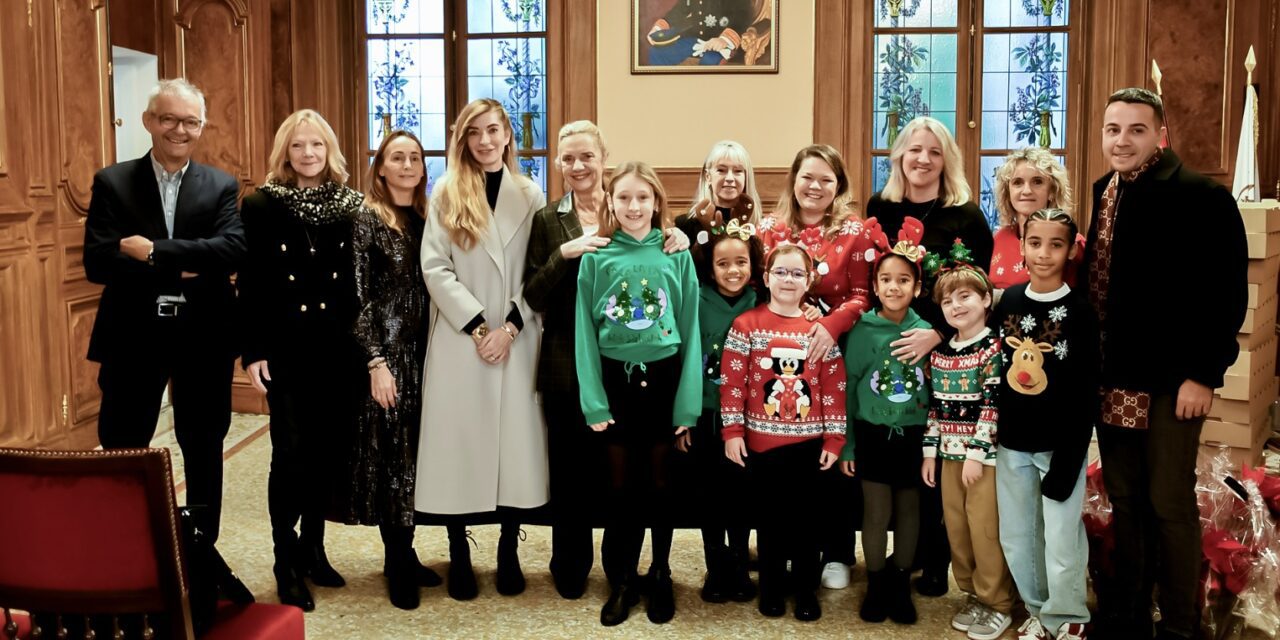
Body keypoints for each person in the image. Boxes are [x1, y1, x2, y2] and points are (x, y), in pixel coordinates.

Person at [1084, 88, 1248, 640]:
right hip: (1115, 377)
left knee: (1168, 501)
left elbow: (1225, 295)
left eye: (1135, 129)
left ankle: (1181, 624)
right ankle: (1130, 613)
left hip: (1172, 381)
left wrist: (1204, 373)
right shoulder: (1105, 191)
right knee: (1126, 501)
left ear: (1162, 135)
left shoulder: (1200, 196)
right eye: (1112, 129)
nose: (1122, 139)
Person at [524, 121, 689, 600]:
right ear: (558, 163)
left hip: (642, 371)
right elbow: (533, 291)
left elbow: (681, 309)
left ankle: (644, 570)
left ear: (603, 159)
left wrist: (673, 237)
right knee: (576, 473)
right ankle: (577, 565)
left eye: (587, 156)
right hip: (569, 360)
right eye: (568, 158)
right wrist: (566, 253)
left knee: (641, 477)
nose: (578, 166)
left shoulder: (651, 231)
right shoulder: (549, 219)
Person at [84, 77, 245, 560]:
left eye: (190, 121)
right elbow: (98, 262)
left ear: (202, 127)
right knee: (123, 442)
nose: (180, 129)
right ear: (149, 121)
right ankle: (123, 546)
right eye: (169, 118)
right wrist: (191, 263)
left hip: (204, 336)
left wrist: (152, 253)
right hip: (132, 335)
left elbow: (233, 250)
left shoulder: (220, 185)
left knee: (202, 443)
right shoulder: (112, 183)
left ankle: (201, 552)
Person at [418, 98, 546, 601]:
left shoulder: (531, 194)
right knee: (459, 446)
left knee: (515, 450)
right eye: (475, 133)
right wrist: (477, 327)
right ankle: (460, 553)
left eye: (494, 130)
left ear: (508, 134)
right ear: (464, 141)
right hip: (461, 339)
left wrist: (509, 327)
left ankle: (509, 550)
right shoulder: (447, 192)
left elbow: (540, 271)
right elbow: (435, 267)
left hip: (517, 334)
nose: (486, 141)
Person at [238, 109, 364, 611]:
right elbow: (249, 282)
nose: (308, 154)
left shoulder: (352, 205)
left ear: (329, 150)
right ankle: (283, 558)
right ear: (284, 153)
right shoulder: (262, 205)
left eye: (316, 145)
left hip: (337, 346)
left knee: (328, 453)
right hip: (286, 346)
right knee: (289, 455)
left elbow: (357, 284)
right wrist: (253, 350)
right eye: (298, 146)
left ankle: (314, 548)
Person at [866, 116, 993, 597]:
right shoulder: (881, 207)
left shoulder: (966, 216)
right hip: (888, 347)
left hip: (946, 350)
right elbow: (870, 279)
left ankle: (935, 557)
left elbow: (978, 292)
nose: (923, 159)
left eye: (934, 152)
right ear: (899, 155)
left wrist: (936, 335)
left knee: (937, 455)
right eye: (914, 150)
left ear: (947, 160)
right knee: (898, 455)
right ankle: (904, 553)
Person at [574, 161, 701, 626]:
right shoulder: (597, 256)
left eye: (642, 198)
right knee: (621, 486)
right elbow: (584, 335)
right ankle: (623, 577)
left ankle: (661, 571)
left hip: (665, 382)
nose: (633, 206)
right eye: (624, 197)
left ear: (657, 202)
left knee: (661, 484)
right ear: (611, 202)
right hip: (615, 383)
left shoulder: (676, 255)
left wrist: (687, 404)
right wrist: (594, 400)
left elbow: (689, 330)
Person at [333, 130, 441, 610]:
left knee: (416, 458)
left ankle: (408, 550)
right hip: (387, 357)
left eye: (414, 157)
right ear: (380, 167)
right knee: (392, 459)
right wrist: (375, 362)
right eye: (397, 157)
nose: (407, 164)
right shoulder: (366, 220)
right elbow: (355, 300)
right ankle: (396, 561)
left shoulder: (427, 218)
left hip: (428, 355)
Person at [759, 143, 873, 591]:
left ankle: (839, 551)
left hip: (833, 356)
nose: (816, 186)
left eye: (827, 179)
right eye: (808, 176)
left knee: (833, 451)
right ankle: (788, 548)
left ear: (838, 186)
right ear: (794, 179)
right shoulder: (769, 230)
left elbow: (864, 295)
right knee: (790, 458)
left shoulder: (855, 232)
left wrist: (829, 324)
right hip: (781, 363)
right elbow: (754, 286)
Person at [720, 243, 847, 622]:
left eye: (796, 274)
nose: (788, 280)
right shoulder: (747, 326)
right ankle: (772, 587)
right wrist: (732, 431)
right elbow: (732, 384)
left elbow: (834, 387)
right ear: (766, 277)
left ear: (809, 280)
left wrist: (834, 438)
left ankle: (805, 588)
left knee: (807, 522)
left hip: (809, 445)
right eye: (781, 272)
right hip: (761, 445)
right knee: (771, 521)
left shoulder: (818, 332)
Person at [994, 209, 1097, 640]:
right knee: (1018, 536)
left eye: (1056, 244)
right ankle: (1039, 610)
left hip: (1060, 446)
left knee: (1060, 539)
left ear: (1071, 249)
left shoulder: (1081, 312)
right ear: (1022, 246)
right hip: (1012, 444)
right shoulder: (1011, 302)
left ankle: (1068, 615)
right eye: (1035, 243)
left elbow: (1085, 391)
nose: (1044, 253)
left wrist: (1072, 456)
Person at [840, 216, 931, 625]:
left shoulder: (927, 332)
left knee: (909, 510)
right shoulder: (862, 332)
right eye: (886, 280)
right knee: (876, 513)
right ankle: (876, 582)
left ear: (917, 287)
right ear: (875, 286)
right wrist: (846, 443)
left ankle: (899, 582)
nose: (894, 288)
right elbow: (847, 389)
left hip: (913, 436)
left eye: (904, 280)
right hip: (873, 435)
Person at [920, 250, 1014, 640]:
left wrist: (977, 453)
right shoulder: (940, 355)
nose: (955, 306)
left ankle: (999, 603)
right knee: (956, 528)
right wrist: (930, 452)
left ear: (986, 299)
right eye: (947, 300)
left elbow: (994, 406)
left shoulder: (994, 349)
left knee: (984, 529)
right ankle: (973, 593)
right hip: (948, 456)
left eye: (965, 297)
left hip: (983, 460)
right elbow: (936, 408)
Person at [684, 223, 762, 604]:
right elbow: (681, 359)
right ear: (710, 267)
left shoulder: (763, 301)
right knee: (709, 495)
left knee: (742, 496)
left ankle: (738, 563)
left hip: (750, 421)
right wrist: (681, 416)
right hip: (704, 415)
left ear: (753, 264)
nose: (733, 270)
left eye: (741, 262)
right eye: (723, 263)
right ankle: (715, 566)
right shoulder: (695, 299)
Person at [988, 148, 1084, 292]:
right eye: (1017, 182)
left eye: (1037, 182)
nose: (1026, 191)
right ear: (1008, 192)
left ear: (1052, 191)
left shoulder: (1074, 243)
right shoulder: (999, 238)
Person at [678, 140, 764, 244]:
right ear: (708, 177)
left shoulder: (761, 227)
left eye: (738, 171)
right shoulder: (684, 226)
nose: (729, 178)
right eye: (721, 170)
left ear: (746, 178)